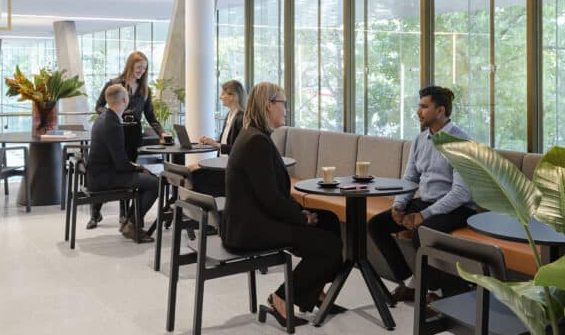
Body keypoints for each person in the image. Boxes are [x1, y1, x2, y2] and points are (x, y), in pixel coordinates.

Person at [221, 82, 343, 327]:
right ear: (269, 105)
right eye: (283, 104)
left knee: (329, 221)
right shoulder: (256, 142)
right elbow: (271, 199)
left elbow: (272, 195)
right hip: (251, 230)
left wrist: (301, 212)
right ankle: (281, 297)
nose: (286, 110)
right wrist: (301, 217)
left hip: (251, 221)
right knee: (329, 244)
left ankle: (314, 292)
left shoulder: (255, 136)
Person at [367, 86, 476, 303]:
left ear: (441, 111)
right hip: (426, 202)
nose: (419, 111)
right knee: (377, 225)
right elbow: (410, 179)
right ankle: (412, 283)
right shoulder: (420, 140)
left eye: (424, 107)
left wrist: (423, 215)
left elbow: (460, 194)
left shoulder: (461, 142)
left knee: (422, 232)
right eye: (419, 106)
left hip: (457, 208)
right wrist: (399, 205)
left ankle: (440, 294)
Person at [88, 51, 164, 229]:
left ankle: (125, 215)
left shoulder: (145, 90)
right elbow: (99, 106)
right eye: (139, 67)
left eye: (144, 69)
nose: (141, 71)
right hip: (115, 130)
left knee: (126, 172)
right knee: (114, 166)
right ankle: (95, 213)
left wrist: (161, 132)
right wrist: (112, 117)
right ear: (130, 65)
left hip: (132, 135)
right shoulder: (115, 85)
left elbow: (150, 116)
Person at [199, 80, 246, 155]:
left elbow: (239, 149)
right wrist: (211, 142)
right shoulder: (229, 115)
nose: (221, 97)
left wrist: (215, 144)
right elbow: (224, 142)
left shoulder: (241, 118)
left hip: (230, 163)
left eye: (223, 94)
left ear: (232, 96)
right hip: (222, 160)